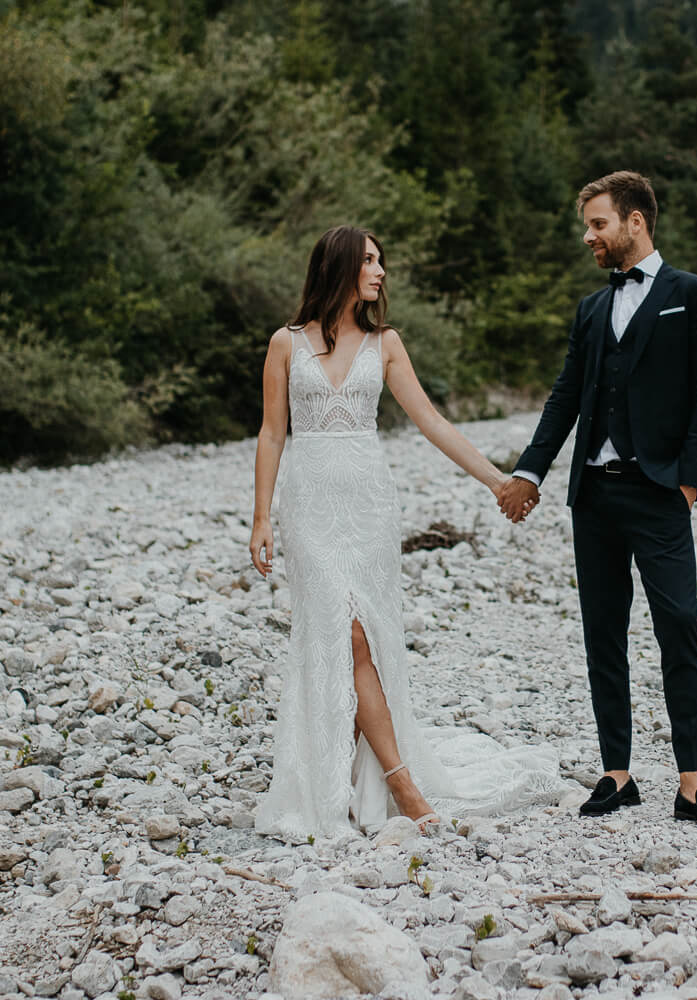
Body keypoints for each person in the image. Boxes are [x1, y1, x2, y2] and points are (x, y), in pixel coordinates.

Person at [250, 225, 564, 841]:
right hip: (310, 508)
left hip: (368, 506)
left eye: (380, 261)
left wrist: (498, 481)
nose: (380, 271)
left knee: (365, 636)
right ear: (340, 266)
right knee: (341, 634)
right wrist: (261, 515)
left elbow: (431, 421)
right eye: (369, 261)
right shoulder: (286, 344)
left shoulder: (385, 343)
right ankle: (397, 782)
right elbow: (271, 432)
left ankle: (371, 773)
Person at [496, 171, 697, 828]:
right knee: (602, 632)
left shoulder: (696, 296)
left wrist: (689, 482)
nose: (589, 236)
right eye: (588, 226)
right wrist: (531, 472)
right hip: (594, 496)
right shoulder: (590, 309)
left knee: (678, 625)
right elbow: (565, 398)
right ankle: (617, 774)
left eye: (598, 224)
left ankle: (693, 783)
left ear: (635, 221)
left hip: (660, 493)